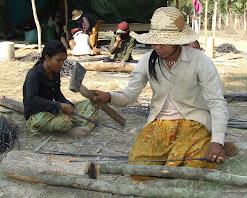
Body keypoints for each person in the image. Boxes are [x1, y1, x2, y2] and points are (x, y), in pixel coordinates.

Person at [91, 7, 229, 182]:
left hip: (194, 123)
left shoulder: (200, 61)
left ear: (178, 41)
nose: (156, 47)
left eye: (163, 42)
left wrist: (218, 142)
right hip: (160, 124)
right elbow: (129, 94)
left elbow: (217, 102)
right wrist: (108, 96)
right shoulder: (148, 60)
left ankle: (213, 142)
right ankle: (194, 148)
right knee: (138, 169)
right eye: (154, 42)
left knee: (190, 168)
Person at [23, 40, 98, 136]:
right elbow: (32, 100)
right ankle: (76, 126)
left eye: (63, 60)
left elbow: (57, 94)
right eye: (58, 60)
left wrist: (67, 104)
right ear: (47, 58)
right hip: (37, 115)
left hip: (52, 110)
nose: (61, 64)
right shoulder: (34, 74)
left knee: (90, 103)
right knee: (64, 122)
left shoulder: (55, 72)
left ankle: (76, 125)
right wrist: (60, 106)